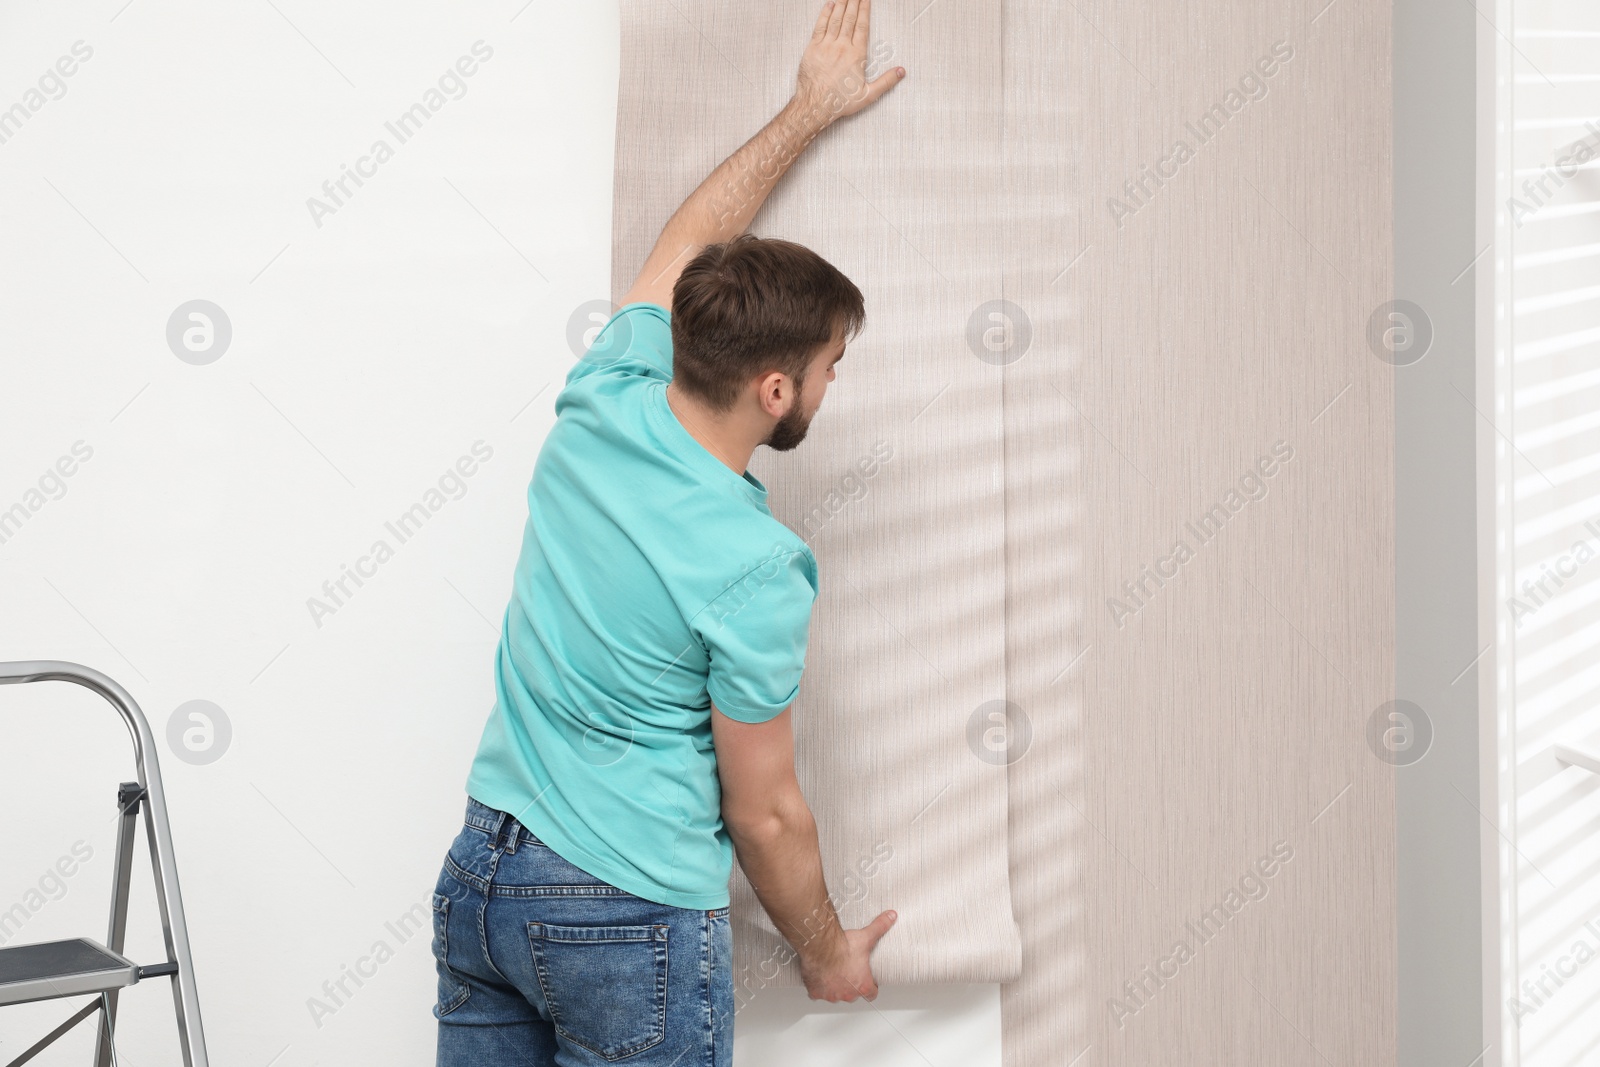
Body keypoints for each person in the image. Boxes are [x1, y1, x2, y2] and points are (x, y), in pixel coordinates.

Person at [430, 3, 906, 1064]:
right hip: (620, 910)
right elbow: (767, 812)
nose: (836, 381)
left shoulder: (607, 390)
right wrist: (829, 951)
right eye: (832, 364)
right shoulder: (757, 563)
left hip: (484, 875)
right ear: (775, 387)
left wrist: (805, 113)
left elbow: (689, 239)